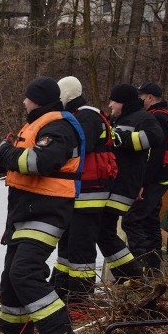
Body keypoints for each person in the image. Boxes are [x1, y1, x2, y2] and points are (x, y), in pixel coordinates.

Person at [0, 76, 84, 334]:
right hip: (25, 211)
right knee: (11, 275)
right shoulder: (36, 125)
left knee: (24, 271)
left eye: (26, 97)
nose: (23, 102)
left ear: (36, 99)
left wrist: (4, 152)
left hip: (47, 210)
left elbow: (37, 162)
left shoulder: (59, 127)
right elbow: (14, 157)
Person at [49, 76, 117, 307]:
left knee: (81, 247)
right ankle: (61, 287)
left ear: (68, 95)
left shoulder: (87, 116)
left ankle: (80, 297)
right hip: (78, 191)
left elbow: (76, 146)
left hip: (90, 192)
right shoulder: (79, 115)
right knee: (67, 243)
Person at [97, 85, 164, 282]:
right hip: (113, 184)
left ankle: (134, 275)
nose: (110, 104)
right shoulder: (119, 118)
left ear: (123, 102)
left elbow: (155, 138)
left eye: (113, 101)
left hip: (124, 186)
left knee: (106, 230)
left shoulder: (144, 118)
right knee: (104, 231)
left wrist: (120, 139)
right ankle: (130, 276)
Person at [121, 82, 168, 273]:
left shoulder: (159, 119)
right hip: (161, 175)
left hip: (153, 178)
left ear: (150, 98)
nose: (138, 101)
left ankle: (140, 268)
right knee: (150, 221)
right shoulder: (164, 116)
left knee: (132, 220)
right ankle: (153, 269)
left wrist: (141, 183)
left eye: (141, 97)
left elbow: (154, 154)